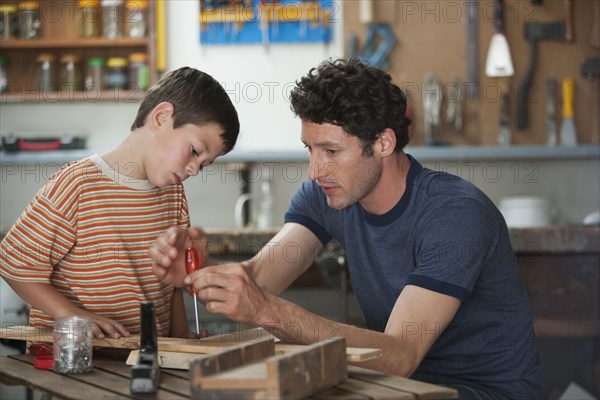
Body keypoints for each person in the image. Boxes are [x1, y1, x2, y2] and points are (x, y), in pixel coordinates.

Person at [149, 59, 540, 399]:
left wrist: (267, 311)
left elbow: (400, 356)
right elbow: (260, 280)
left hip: (479, 391)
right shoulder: (327, 193)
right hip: (393, 384)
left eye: (331, 151)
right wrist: (197, 272)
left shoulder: (455, 214)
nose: (315, 171)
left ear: (383, 143)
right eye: (310, 149)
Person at [0, 67, 239, 340]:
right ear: (161, 118)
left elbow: (171, 285)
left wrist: (181, 338)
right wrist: (72, 316)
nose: (194, 169)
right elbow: (12, 263)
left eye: (204, 164)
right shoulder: (78, 184)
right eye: (195, 151)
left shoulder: (173, 196)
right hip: (76, 362)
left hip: (145, 360)